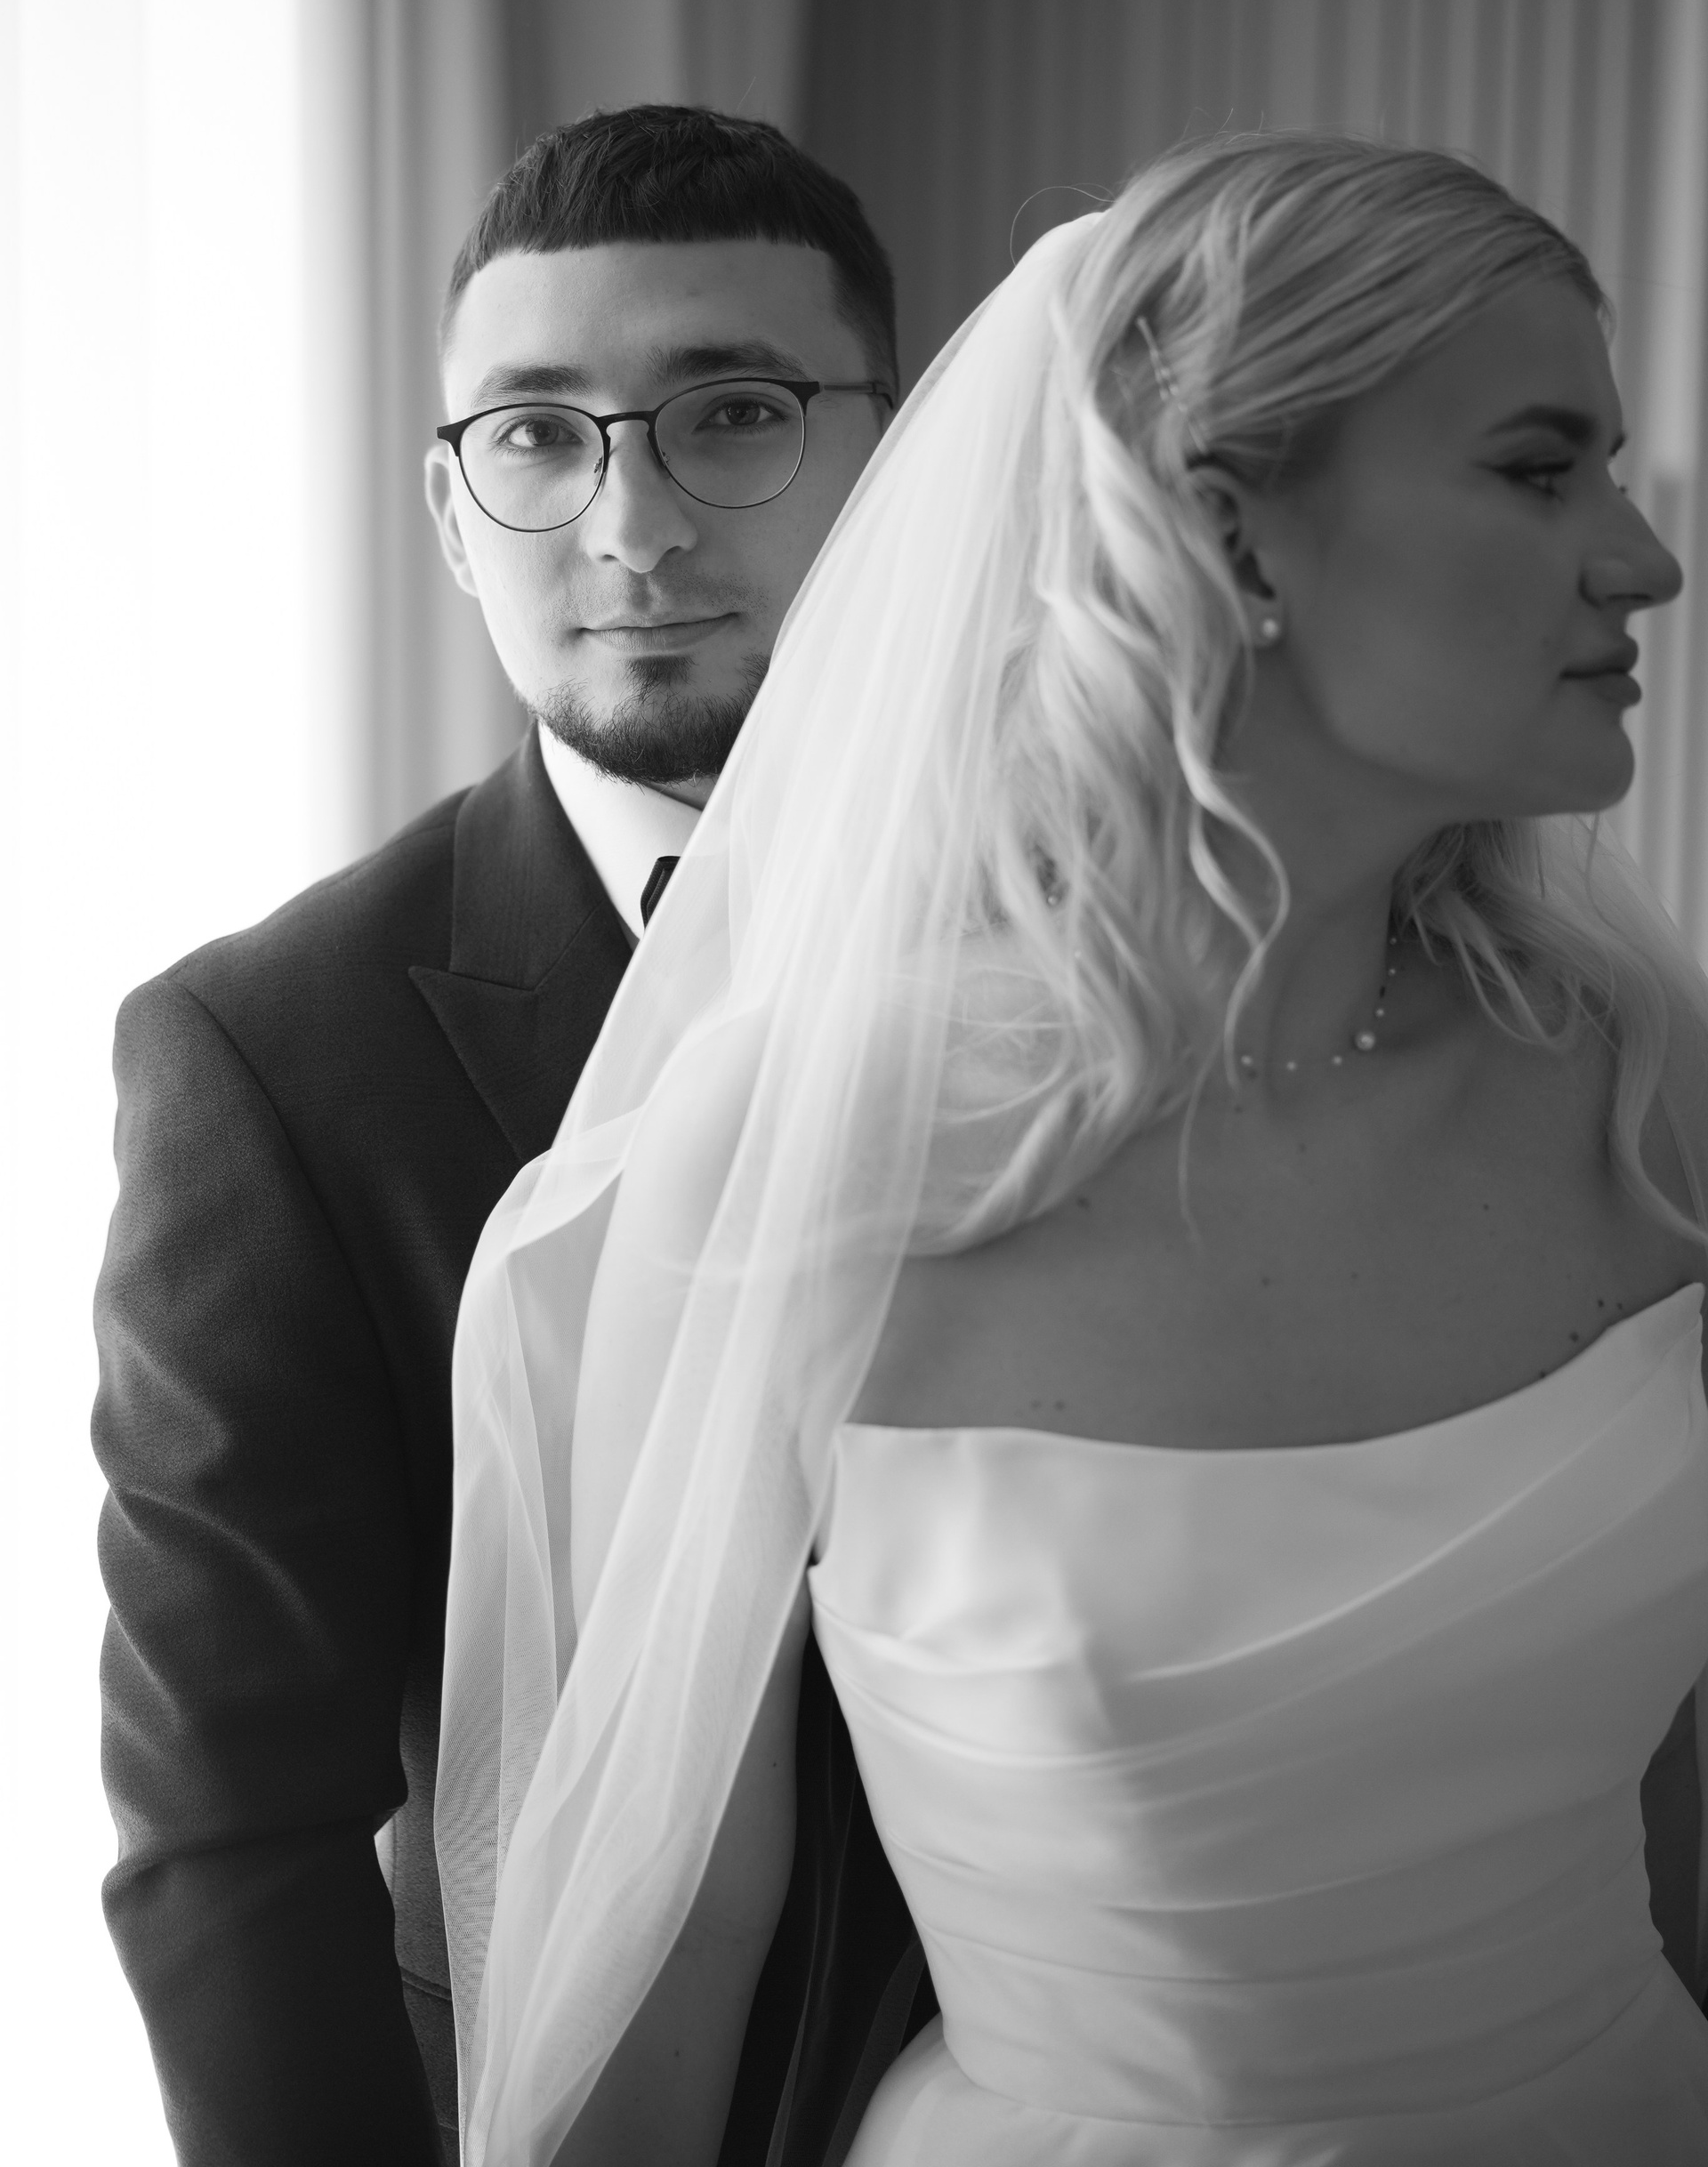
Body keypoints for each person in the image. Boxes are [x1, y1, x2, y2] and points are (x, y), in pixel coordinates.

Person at [437, 130, 1708, 2166]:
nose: (1643, 562)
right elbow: (664, 1950)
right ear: (1237, 532)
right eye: (1541, 469)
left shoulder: (1643, 1084)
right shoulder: (806, 1161)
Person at [93, 104, 931, 2167]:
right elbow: (235, 1828)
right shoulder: (268, 1054)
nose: (631, 526)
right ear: (455, 515)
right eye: (539, 437)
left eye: (733, 414)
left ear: (903, 461)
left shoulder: (1148, 934)